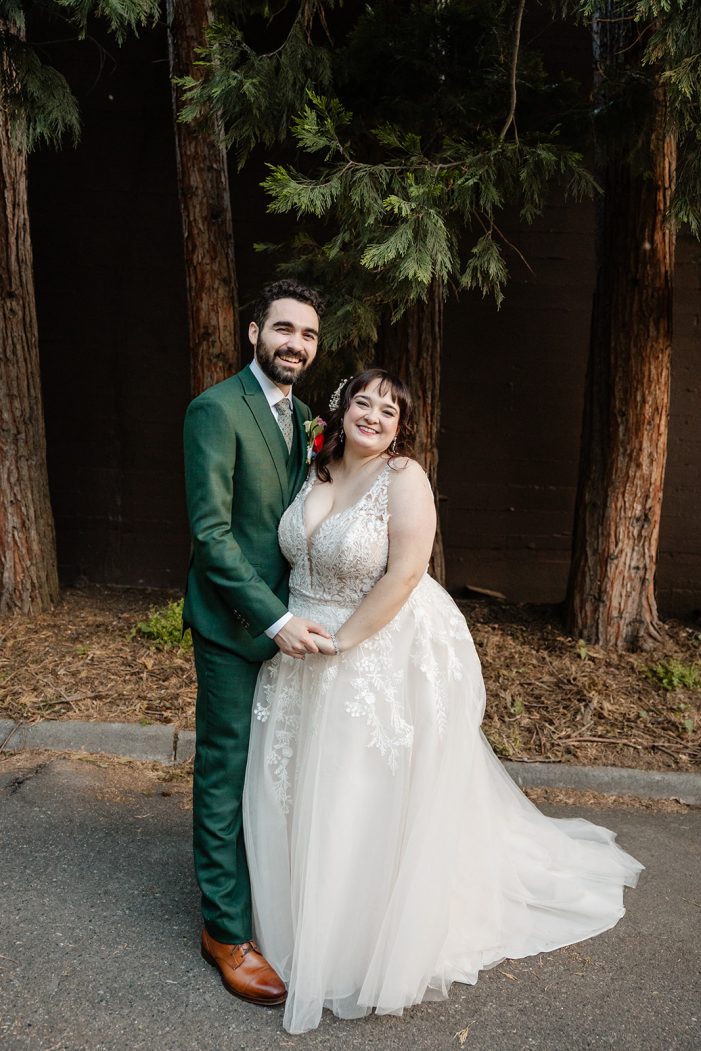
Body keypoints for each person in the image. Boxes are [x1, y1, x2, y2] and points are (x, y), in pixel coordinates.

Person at [242, 368, 644, 1034]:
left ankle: (360, 936)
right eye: (362, 402)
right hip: (298, 645)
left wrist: (342, 643)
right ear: (340, 411)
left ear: (401, 429)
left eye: (388, 411)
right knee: (299, 784)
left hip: (368, 648)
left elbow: (404, 573)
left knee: (357, 789)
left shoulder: (404, 480)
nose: (372, 415)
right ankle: (294, 912)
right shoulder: (312, 473)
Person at [182, 279, 331, 1006]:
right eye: (282, 329)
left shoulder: (305, 418)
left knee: (273, 772)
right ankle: (224, 931)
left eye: (306, 334)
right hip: (236, 625)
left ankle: (270, 893)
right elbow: (211, 534)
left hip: (298, 626)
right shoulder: (215, 410)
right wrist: (273, 618)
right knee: (224, 769)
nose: (293, 344)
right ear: (253, 332)